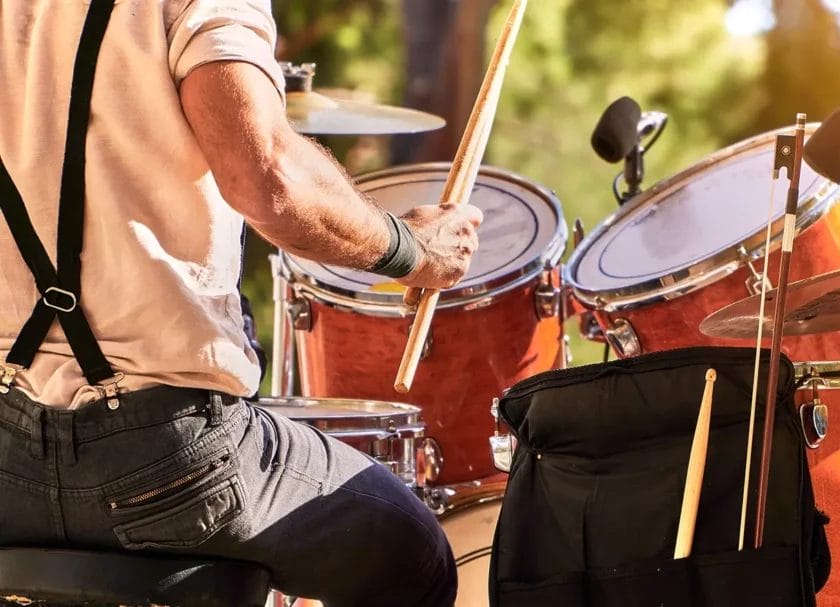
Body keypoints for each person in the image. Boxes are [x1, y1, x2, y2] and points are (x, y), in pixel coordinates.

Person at [0, 1, 481, 605]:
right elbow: (267, 178)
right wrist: (412, 248)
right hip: (166, 455)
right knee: (413, 554)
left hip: (4, 454)